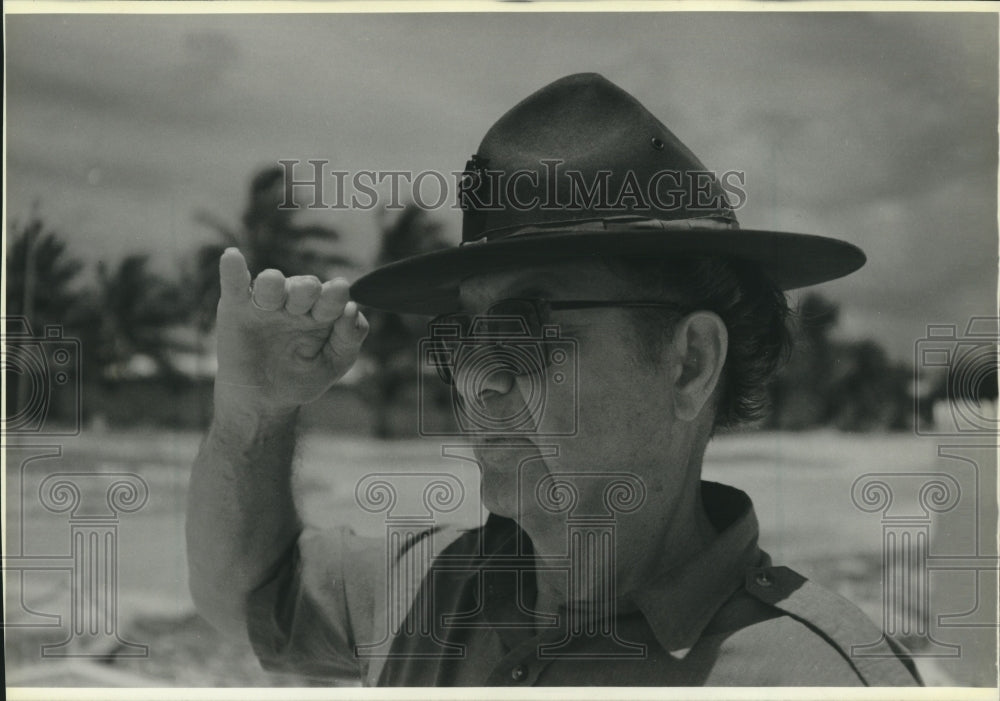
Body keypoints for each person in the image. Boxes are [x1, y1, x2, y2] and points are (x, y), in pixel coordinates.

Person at [186, 73, 923, 686]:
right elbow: (247, 596)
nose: (477, 386)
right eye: (464, 340)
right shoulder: (426, 587)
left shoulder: (816, 677)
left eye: (522, 332)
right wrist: (253, 413)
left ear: (690, 362)